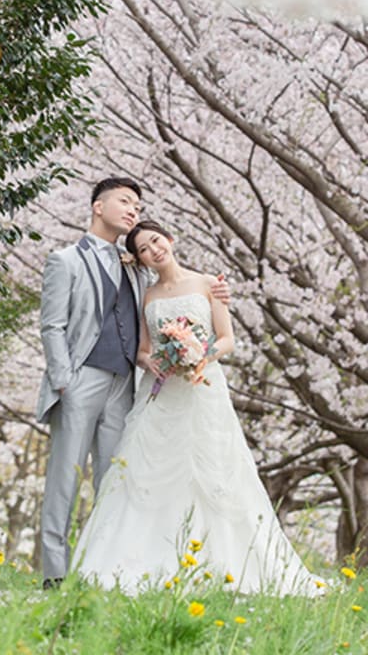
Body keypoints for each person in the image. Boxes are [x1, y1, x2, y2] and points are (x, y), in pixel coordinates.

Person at [71, 220, 318, 595]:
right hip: (162, 393)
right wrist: (152, 362)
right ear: (140, 260)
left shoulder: (208, 283)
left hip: (204, 390)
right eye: (143, 249)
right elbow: (141, 349)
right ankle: (146, 561)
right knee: (146, 473)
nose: (154, 250)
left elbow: (227, 339)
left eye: (156, 241)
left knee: (215, 471)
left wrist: (200, 355)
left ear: (170, 239)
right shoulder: (148, 296)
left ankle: (221, 565)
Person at [36, 178, 226, 589]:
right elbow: (52, 325)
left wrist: (214, 291)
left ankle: (97, 570)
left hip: (125, 384)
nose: (133, 211)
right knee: (64, 477)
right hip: (80, 378)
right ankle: (54, 572)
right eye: (125, 202)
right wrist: (64, 379)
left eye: (138, 207)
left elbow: (170, 291)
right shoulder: (65, 259)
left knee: (115, 480)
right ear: (98, 206)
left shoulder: (137, 267)